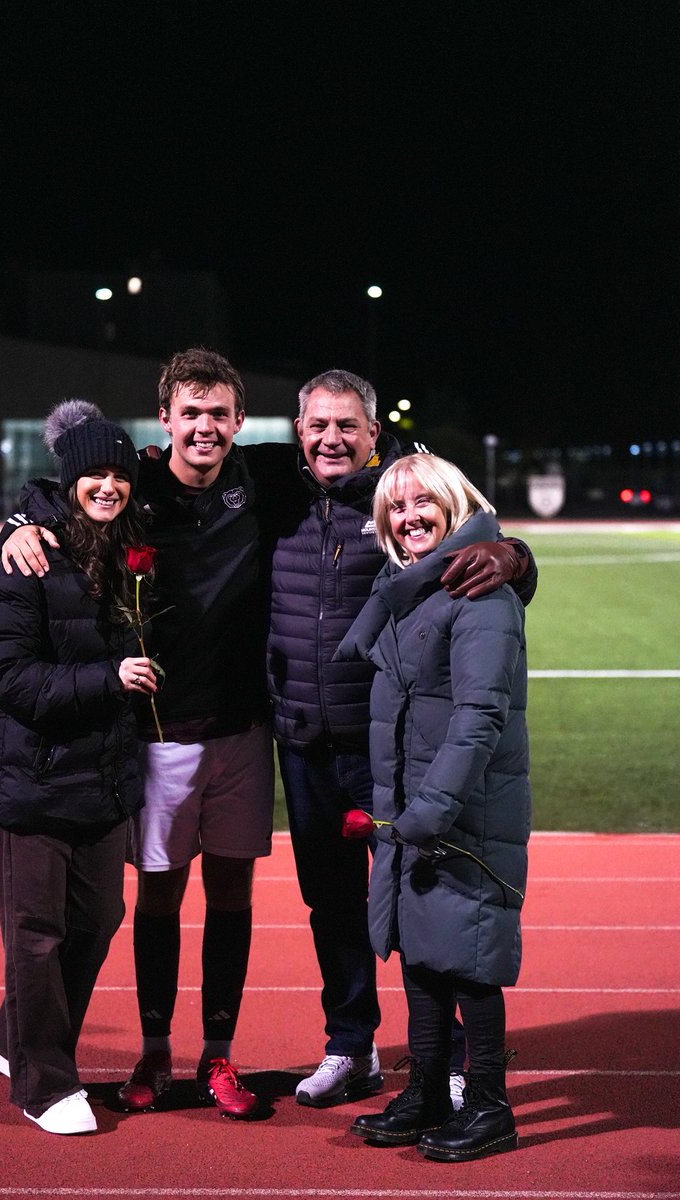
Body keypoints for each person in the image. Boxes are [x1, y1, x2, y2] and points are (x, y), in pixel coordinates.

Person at [0, 349, 274, 1120]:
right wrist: (19, 522)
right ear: (167, 421)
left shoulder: (267, 477)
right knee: (154, 899)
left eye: (219, 413)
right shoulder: (137, 481)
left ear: (239, 421)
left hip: (245, 732)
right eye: (192, 413)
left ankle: (218, 1055)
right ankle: (154, 1051)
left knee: (231, 896)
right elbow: (65, 491)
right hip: (158, 737)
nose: (206, 427)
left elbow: (357, 467)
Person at [260, 369, 536, 1109]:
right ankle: (352, 1046)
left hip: (392, 750)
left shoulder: (400, 501)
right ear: (298, 429)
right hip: (306, 740)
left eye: (347, 425)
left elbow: (469, 540)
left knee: (431, 896)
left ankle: (449, 1062)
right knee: (334, 905)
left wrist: (514, 555)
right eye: (317, 424)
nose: (331, 438)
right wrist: (23, 518)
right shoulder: (272, 490)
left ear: (373, 434)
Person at [0, 401, 158, 1135]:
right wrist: (108, 680)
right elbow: (5, 675)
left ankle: (8, 1036)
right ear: (71, 477)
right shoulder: (27, 559)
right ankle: (44, 1083)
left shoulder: (125, 548)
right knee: (36, 932)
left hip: (103, 779)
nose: (108, 486)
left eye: (119, 473)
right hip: (36, 779)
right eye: (94, 474)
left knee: (99, 918)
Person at [337, 452, 530, 1161]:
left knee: (469, 958)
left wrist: (432, 811)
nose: (409, 517)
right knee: (421, 952)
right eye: (396, 507)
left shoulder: (480, 593)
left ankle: (489, 1104)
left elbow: (480, 717)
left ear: (453, 503)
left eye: (423, 503)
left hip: (462, 812)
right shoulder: (408, 585)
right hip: (413, 806)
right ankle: (424, 1090)